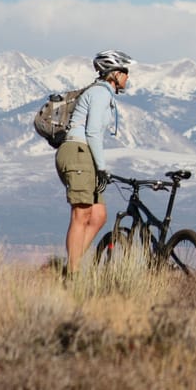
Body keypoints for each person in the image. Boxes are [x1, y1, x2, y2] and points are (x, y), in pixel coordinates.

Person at [55, 49, 134, 276]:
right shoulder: (100, 94)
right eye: (125, 71)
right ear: (114, 74)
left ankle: (70, 267)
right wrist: (101, 168)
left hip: (84, 154)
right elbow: (92, 132)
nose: (127, 77)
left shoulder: (103, 94)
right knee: (81, 214)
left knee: (98, 216)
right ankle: (73, 274)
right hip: (78, 152)